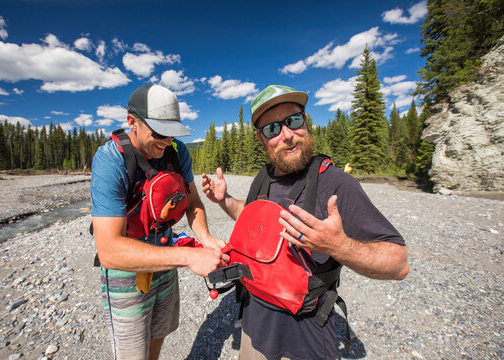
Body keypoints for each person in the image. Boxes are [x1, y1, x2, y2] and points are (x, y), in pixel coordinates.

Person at [202, 85, 409, 359]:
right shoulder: (263, 178)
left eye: (293, 121)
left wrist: (341, 246)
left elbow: (399, 263)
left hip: (306, 335)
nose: (287, 135)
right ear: (261, 139)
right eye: (272, 129)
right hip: (254, 324)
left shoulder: (335, 183)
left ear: (306, 122)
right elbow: (254, 218)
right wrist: (224, 199)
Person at [91, 84, 228, 360]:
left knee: (158, 332)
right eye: (160, 133)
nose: (167, 142)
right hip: (127, 267)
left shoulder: (176, 152)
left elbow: (193, 202)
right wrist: (187, 257)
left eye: (172, 134)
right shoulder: (110, 160)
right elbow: (108, 250)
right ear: (133, 123)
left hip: (166, 254)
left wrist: (205, 238)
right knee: (132, 352)